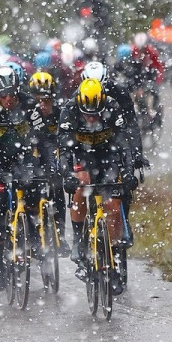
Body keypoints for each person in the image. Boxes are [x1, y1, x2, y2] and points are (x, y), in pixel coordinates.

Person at [60, 79, 137, 295]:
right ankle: (78, 240)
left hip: (107, 154)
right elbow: (63, 150)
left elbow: (124, 144)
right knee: (81, 184)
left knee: (113, 204)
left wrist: (129, 172)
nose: (92, 118)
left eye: (96, 114)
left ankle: (111, 260)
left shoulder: (112, 107)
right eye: (88, 115)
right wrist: (67, 175)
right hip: (82, 155)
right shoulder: (70, 109)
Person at [0, 66, 37, 289]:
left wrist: (43, 165)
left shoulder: (29, 103)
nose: (8, 99)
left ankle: (35, 236)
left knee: (34, 188)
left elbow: (43, 137)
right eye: (3, 95)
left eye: (12, 94)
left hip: (23, 156)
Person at [27, 71, 67, 248]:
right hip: (32, 152)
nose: (43, 104)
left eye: (47, 100)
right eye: (39, 100)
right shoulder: (26, 112)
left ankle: (61, 234)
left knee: (57, 189)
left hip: (53, 153)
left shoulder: (60, 111)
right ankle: (33, 232)